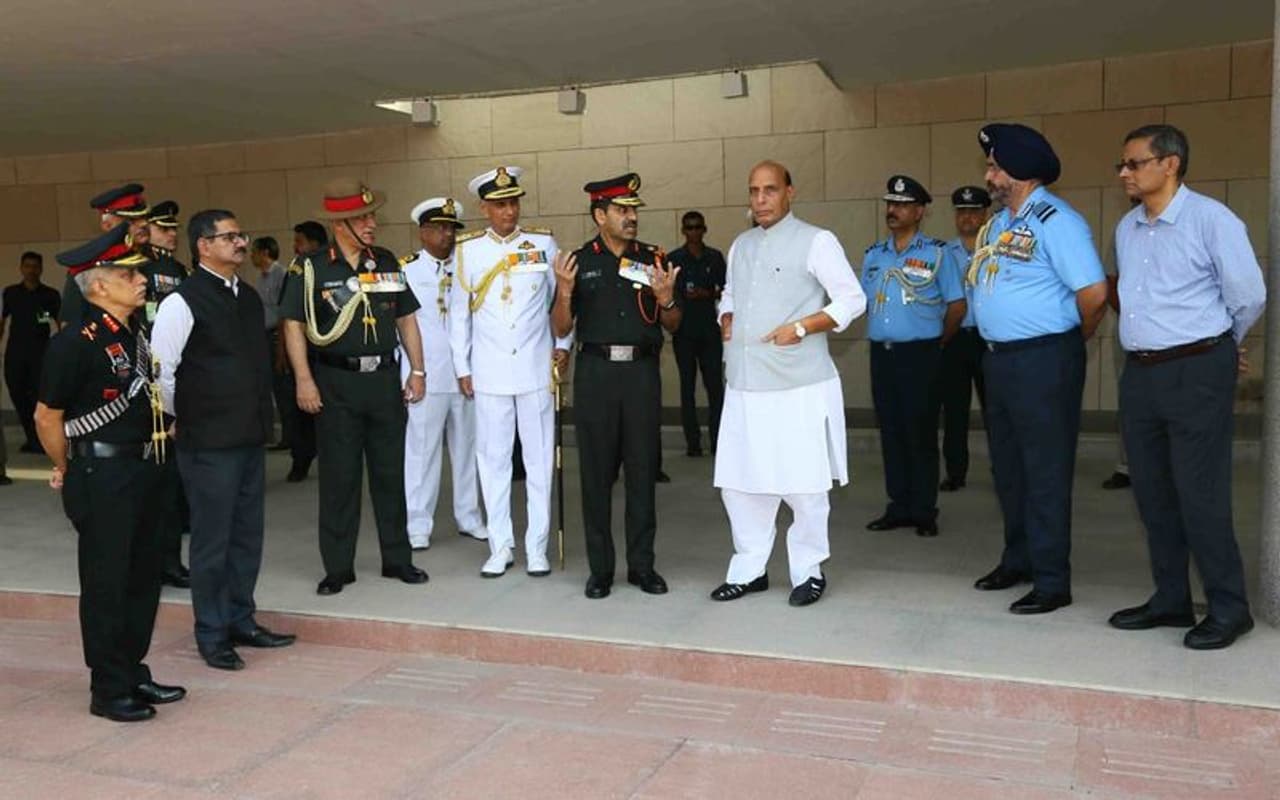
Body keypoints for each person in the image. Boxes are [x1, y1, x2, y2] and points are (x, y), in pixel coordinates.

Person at [1109, 124, 1266, 650]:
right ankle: (1171, 599)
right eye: (1123, 165)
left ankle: (1229, 607)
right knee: (1152, 491)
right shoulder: (1128, 228)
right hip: (1142, 373)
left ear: (1170, 163)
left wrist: (1221, 345)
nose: (1124, 173)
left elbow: (1248, 295)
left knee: (1201, 494)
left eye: (1134, 163)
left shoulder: (1212, 220)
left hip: (1197, 370)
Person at [34, 223, 185, 721]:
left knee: (143, 578)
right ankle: (107, 688)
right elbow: (47, 416)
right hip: (102, 476)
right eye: (129, 273)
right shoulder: (74, 342)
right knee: (107, 582)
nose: (141, 279)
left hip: (146, 470)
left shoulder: (133, 333)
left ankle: (132, 670)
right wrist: (65, 465)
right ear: (98, 285)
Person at [707, 161, 866, 606]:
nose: (760, 199)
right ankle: (750, 568)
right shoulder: (740, 245)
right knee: (741, 483)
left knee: (803, 484)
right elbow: (731, 295)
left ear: (789, 192)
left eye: (770, 190)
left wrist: (801, 327)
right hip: (743, 382)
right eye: (754, 191)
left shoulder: (817, 241)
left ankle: (808, 571)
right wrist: (726, 317)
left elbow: (853, 298)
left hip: (798, 384)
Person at [968, 123, 1108, 615]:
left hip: (1044, 359)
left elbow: (1093, 294)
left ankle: (1052, 580)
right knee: (1009, 468)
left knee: (1045, 471)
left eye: (994, 166)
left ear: (1020, 171)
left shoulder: (1056, 220)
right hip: (1000, 361)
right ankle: (1019, 559)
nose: (988, 174)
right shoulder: (1000, 222)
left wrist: (1072, 340)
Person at [152, 210, 296, 671]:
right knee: (212, 541)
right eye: (229, 236)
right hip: (208, 441)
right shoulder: (183, 301)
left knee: (246, 535)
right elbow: (161, 372)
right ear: (203, 246)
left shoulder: (249, 298)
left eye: (241, 234)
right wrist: (182, 417)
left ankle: (241, 618)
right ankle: (211, 633)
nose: (239, 243)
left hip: (249, 435)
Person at [281, 179, 429, 596]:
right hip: (335, 383)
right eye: (362, 217)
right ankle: (338, 567)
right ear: (341, 223)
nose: (371, 223)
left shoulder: (383, 260)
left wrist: (417, 371)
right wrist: (304, 380)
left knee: (390, 474)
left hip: (383, 381)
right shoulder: (311, 268)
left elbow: (406, 318)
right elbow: (293, 325)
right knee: (339, 478)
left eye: (371, 215)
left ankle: (398, 559)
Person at [551, 173, 678, 599]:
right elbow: (561, 326)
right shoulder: (579, 262)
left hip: (641, 375)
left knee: (642, 471)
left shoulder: (654, 258)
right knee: (596, 474)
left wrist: (667, 300)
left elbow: (673, 323)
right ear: (599, 215)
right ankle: (600, 569)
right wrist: (565, 292)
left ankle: (642, 567)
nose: (631, 217)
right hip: (596, 374)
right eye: (622, 210)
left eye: (634, 210)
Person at [450, 166, 570, 578]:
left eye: (514, 202)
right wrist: (462, 366)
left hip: (536, 368)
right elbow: (458, 317)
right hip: (490, 372)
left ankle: (537, 547)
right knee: (494, 461)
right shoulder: (467, 251)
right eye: (500, 204)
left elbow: (562, 303)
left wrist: (563, 347)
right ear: (484, 207)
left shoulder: (543, 243)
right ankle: (501, 544)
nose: (509, 211)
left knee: (539, 462)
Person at [861, 175, 965, 538]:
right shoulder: (874, 255)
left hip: (921, 354)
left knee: (920, 432)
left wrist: (937, 341)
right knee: (890, 431)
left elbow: (956, 305)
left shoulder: (938, 254)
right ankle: (898, 505)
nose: (894, 210)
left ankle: (923, 510)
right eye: (890, 204)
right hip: (883, 355)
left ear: (919, 211)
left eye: (902, 205)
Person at [401, 196, 487, 550]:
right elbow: (402, 327)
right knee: (422, 451)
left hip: (466, 373)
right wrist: (411, 373)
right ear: (422, 232)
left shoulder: (469, 267)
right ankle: (418, 522)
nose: (446, 235)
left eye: (451, 228)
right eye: (438, 228)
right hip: (427, 374)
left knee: (468, 449)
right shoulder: (406, 270)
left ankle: (469, 516)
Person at [142, 200, 191, 589]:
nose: (172, 235)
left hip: (169, 381)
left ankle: (170, 561)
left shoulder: (178, 271)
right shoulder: (137, 267)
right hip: (139, 380)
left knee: (170, 480)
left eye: (175, 229)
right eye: (165, 228)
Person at [937, 186, 991, 492]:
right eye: (961, 211)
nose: (967, 217)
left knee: (996, 411)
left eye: (973, 211)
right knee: (954, 412)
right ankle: (955, 473)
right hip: (955, 340)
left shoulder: (998, 249)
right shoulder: (944, 254)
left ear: (984, 215)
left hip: (989, 340)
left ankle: (1004, 470)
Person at [666, 210, 726, 457]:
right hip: (684, 332)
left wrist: (708, 294)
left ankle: (718, 442)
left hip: (710, 331)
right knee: (687, 388)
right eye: (689, 228)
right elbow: (667, 294)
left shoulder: (714, 257)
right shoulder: (674, 259)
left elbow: (726, 290)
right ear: (683, 230)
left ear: (704, 229)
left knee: (715, 388)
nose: (693, 232)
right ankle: (693, 443)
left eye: (697, 227)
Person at [61, 183, 152, 329]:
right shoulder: (90, 266)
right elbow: (70, 326)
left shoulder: (156, 261)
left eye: (145, 217)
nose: (143, 224)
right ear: (107, 225)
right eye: (132, 220)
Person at [2, 251, 60, 453]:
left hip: (41, 353)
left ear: (41, 269)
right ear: (21, 268)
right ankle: (31, 438)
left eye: (35, 266)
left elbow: (60, 323)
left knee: (39, 396)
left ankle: (41, 440)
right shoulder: (10, 293)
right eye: (27, 266)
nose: (31, 270)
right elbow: (2, 322)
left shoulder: (50, 295)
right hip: (15, 352)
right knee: (17, 393)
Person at [250, 237, 293, 455]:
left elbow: (283, 312)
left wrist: (281, 349)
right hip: (264, 335)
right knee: (271, 386)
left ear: (265, 252)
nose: (251, 256)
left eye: (254, 252)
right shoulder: (261, 277)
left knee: (283, 387)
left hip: (278, 337)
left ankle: (290, 435)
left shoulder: (280, 274)